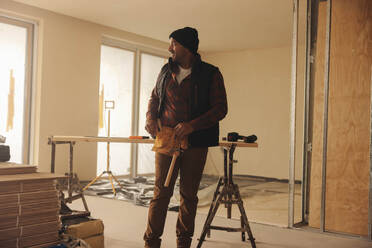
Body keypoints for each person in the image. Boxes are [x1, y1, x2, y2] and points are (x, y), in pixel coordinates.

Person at [143, 27, 228, 248]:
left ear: (187, 48)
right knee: (160, 194)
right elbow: (154, 98)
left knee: (188, 195)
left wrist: (192, 126)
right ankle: (151, 243)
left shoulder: (211, 73)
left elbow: (221, 109)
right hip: (166, 139)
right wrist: (150, 118)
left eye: (174, 44)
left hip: (196, 143)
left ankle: (183, 243)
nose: (170, 48)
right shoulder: (165, 70)